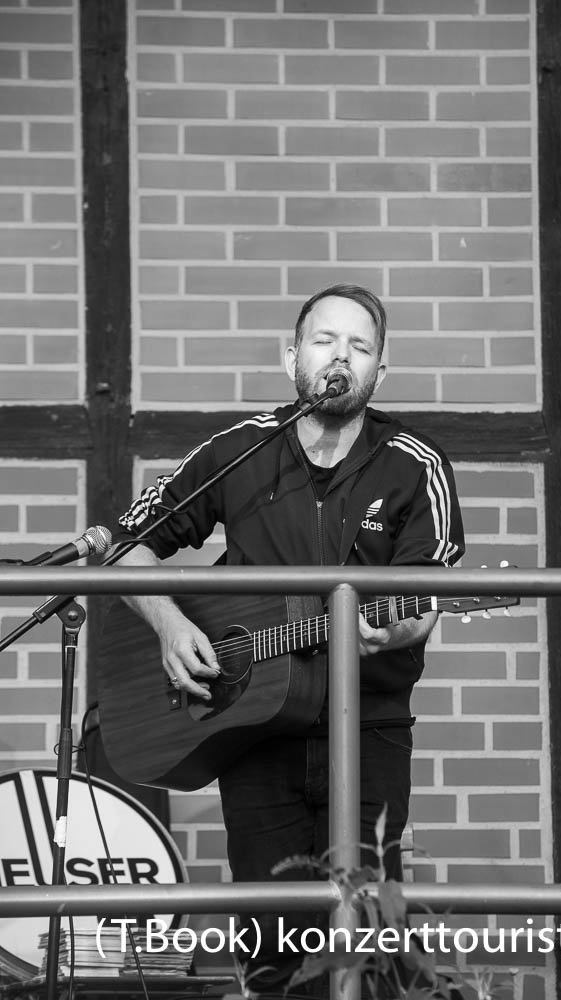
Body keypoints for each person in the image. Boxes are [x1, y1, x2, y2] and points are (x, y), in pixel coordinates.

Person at [112, 284, 465, 996]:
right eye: (324, 340)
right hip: (254, 732)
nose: (340, 357)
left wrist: (394, 628)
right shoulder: (237, 452)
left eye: (359, 347)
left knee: (368, 938)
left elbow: (422, 599)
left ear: (379, 371)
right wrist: (171, 624)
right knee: (271, 947)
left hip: (367, 729)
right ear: (291, 356)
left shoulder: (414, 464)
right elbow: (125, 546)